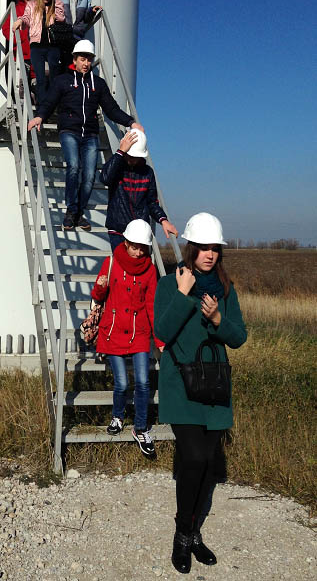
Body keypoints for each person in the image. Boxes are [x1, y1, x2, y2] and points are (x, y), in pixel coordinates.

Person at [154, 212, 247, 574]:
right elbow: (162, 331)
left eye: (215, 248)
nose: (210, 254)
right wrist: (182, 294)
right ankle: (182, 536)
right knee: (192, 458)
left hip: (214, 386)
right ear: (191, 247)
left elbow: (238, 337)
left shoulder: (225, 289)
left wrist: (219, 320)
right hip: (181, 385)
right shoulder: (170, 283)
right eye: (204, 247)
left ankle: (194, 534)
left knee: (207, 463)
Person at [27, 39, 142, 231]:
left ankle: (78, 213)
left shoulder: (98, 84)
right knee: (74, 167)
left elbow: (111, 109)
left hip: (90, 134)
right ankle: (71, 211)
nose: (86, 63)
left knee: (89, 176)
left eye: (89, 59)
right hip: (69, 131)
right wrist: (39, 116)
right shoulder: (62, 81)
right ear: (74, 59)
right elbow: (49, 102)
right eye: (82, 59)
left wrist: (131, 122)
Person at [91, 219, 164, 455]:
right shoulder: (111, 262)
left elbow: (152, 306)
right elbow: (97, 296)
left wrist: (159, 341)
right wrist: (100, 286)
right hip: (112, 332)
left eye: (142, 248)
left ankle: (140, 428)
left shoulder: (150, 270)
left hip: (139, 332)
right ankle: (118, 416)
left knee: (143, 382)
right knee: (122, 383)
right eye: (134, 246)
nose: (138, 252)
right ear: (125, 242)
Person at [101, 128, 178, 251]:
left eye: (135, 156)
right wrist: (120, 152)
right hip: (118, 230)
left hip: (140, 232)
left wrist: (163, 220)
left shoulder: (147, 172)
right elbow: (105, 178)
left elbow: (152, 202)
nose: (132, 159)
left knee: (141, 263)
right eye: (129, 155)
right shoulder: (116, 167)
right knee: (121, 264)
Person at [13, 0, 64, 105]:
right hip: (36, 46)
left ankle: (53, 105)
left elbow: (61, 19)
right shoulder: (32, 4)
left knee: (54, 77)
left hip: (53, 45)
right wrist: (20, 21)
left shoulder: (56, 3)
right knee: (40, 79)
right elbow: (26, 18)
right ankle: (42, 108)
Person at [1, 0, 34, 85]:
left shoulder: (37, 7)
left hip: (36, 55)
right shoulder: (14, 9)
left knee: (37, 87)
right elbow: (6, 29)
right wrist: (19, 40)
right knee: (21, 88)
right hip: (20, 56)